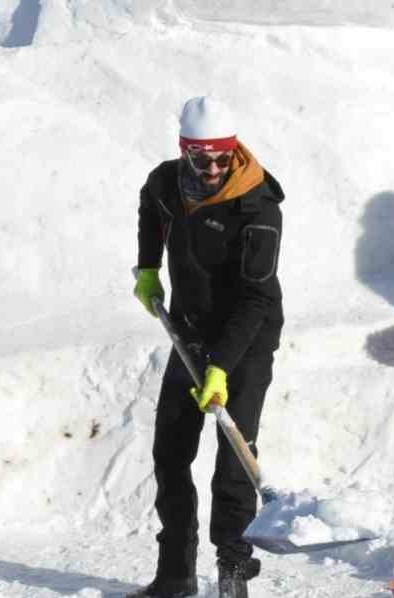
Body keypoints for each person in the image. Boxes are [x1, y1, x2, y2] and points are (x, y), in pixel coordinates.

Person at [129, 96, 285, 598]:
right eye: (202, 158)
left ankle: (233, 575)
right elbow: (150, 208)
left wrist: (221, 367)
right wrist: (148, 266)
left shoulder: (256, 204)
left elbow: (257, 295)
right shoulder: (166, 181)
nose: (214, 168)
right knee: (170, 450)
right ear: (185, 151)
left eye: (223, 156)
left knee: (233, 459)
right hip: (191, 330)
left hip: (248, 336)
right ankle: (175, 575)